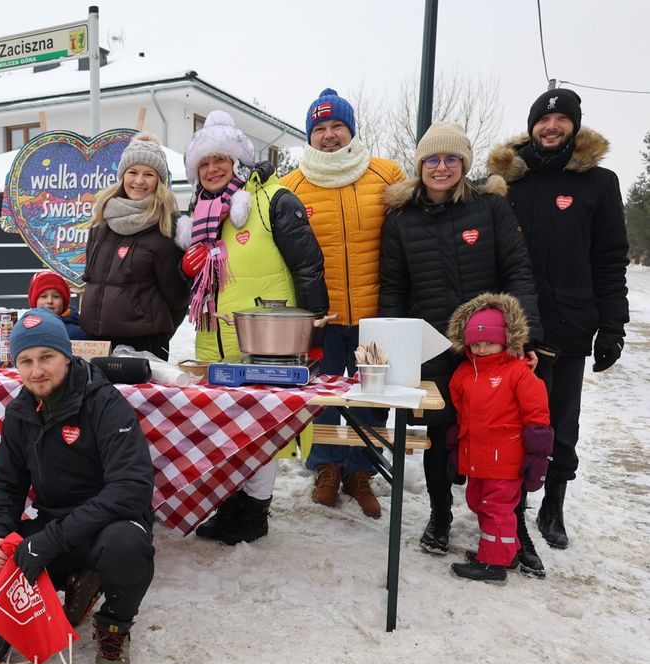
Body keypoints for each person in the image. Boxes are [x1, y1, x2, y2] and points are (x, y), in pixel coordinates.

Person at [0, 308, 155, 664]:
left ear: (67, 356)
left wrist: (48, 541)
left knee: (126, 548)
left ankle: (114, 628)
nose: (36, 370)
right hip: (53, 523)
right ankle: (63, 594)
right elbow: (7, 484)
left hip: (109, 525)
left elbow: (130, 489)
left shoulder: (104, 402)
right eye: (26, 361)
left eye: (47, 357)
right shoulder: (21, 410)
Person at [379, 121, 545, 574]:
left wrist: (523, 336)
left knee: (502, 442)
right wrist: (392, 346)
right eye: (432, 159)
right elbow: (393, 288)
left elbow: (518, 271)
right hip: (432, 348)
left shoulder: (491, 208)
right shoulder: (400, 220)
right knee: (438, 437)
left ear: (464, 164)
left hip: (489, 350)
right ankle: (440, 515)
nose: (441, 167)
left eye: (451, 159)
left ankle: (515, 528)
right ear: (420, 165)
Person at [486, 88, 630, 550]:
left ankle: (554, 503)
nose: (551, 128)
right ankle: (513, 505)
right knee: (510, 419)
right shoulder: (504, 180)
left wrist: (613, 326)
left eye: (561, 121)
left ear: (574, 125)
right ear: (531, 127)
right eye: (543, 121)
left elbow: (610, 259)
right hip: (512, 326)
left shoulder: (600, 183)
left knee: (560, 421)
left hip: (569, 323)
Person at [176, 110, 328, 545]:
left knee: (261, 430)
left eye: (220, 159)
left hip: (268, 338)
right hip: (213, 335)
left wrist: (314, 334)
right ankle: (229, 505)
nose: (212, 168)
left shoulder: (274, 199)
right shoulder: (199, 211)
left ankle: (255, 510)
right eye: (204, 163)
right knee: (220, 429)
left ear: (239, 159)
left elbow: (308, 266)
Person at [280, 88, 406, 519]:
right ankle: (328, 468)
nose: (329, 135)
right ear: (309, 135)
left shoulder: (386, 174)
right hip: (322, 318)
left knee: (372, 397)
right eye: (320, 128)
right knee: (325, 395)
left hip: (378, 312)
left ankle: (362, 472)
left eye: (337, 126)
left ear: (351, 131)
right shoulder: (291, 186)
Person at [445, 293, 552, 584]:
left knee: (497, 509)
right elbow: (460, 416)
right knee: (478, 501)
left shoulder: (518, 372)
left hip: (505, 460)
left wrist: (537, 458)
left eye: (489, 342)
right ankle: (507, 550)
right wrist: (456, 449)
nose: (481, 349)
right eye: (475, 343)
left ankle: (493, 564)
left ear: (505, 340)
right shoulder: (464, 373)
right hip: (477, 458)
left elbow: (538, 417)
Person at [80, 133, 189, 361]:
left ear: (159, 182)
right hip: (96, 342)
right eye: (133, 172)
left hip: (144, 345)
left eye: (148, 174)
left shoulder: (166, 229)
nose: (139, 181)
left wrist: (155, 334)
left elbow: (178, 298)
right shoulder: (101, 224)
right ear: (122, 176)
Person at [28, 270, 86, 339]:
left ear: (64, 302)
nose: (50, 301)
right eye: (43, 296)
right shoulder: (24, 329)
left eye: (56, 296)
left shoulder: (78, 334)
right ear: (33, 301)